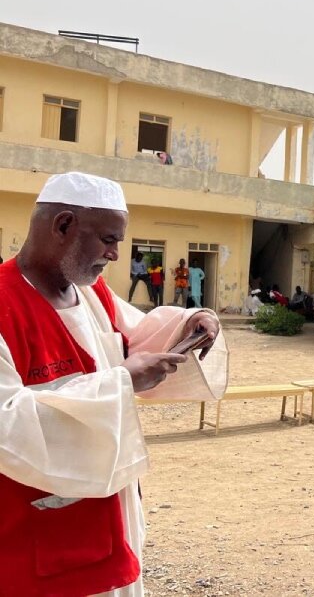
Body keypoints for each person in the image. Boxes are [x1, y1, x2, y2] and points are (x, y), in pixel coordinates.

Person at [0, 171, 224, 596]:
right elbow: (7, 424)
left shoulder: (90, 292)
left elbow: (135, 335)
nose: (117, 255)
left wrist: (187, 323)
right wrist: (121, 381)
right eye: (108, 239)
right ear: (63, 225)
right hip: (39, 535)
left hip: (110, 515)